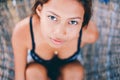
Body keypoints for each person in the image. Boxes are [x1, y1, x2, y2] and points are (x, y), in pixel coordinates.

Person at [12, 0, 99, 80]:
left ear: (83, 20)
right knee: (33, 72)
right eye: (52, 17)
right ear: (39, 10)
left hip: (70, 72)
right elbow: (19, 77)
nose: (60, 32)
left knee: (75, 71)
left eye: (73, 22)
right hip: (36, 72)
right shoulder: (23, 32)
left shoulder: (90, 34)